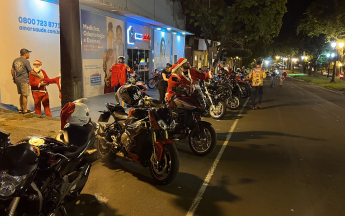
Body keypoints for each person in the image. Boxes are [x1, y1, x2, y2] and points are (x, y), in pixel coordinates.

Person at [11, 48, 33, 114]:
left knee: (21, 94)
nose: (29, 55)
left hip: (18, 80)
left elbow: (12, 70)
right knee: (25, 95)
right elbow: (31, 71)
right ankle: (25, 110)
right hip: (24, 80)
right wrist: (39, 76)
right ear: (25, 54)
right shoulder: (26, 61)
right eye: (28, 53)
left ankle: (21, 108)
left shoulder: (15, 60)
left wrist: (14, 78)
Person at [103, 22, 116, 94]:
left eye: (112, 37)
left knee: (112, 95)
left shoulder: (115, 53)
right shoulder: (105, 54)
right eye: (109, 37)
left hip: (113, 79)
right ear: (107, 38)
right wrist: (106, 78)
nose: (110, 39)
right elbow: (104, 68)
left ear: (113, 38)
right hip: (108, 80)